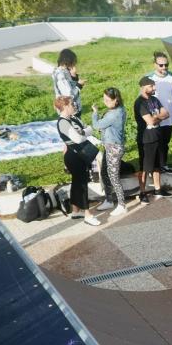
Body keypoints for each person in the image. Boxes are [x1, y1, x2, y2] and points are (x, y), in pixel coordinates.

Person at [55, 95, 100, 226]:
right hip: (73, 156)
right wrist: (85, 132)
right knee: (82, 185)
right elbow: (78, 139)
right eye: (71, 104)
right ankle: (87, 215)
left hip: (78, 155)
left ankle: (75, 211)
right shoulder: (63, 122)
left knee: (76, 183)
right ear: (64, 107)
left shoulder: (72, 118)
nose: (74, 106)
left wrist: (83, 131)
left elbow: (87, 129)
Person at [133, 76, 171, 205]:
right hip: (146, 139)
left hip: (157, 136)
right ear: (143, 87)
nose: (154, 88)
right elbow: (150, 121)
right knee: (144, 167)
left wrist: (156, 117)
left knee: (157, 165)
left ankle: (157, 189)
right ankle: (142, 192)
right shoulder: (140, 103)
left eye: (154, 85)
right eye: (151, 86)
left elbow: (167, 113)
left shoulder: (155, 99)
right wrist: (158, 117)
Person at [92, 87, 128, 217]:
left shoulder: (114, 114)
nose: (105, 102)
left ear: (116, 100)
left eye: (108, 100)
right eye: (104, 99)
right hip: (110, 146)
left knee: (113, 177)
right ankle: (109, 200)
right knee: (105, 172)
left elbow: (96, 125)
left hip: (114, 148)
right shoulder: (118, 109)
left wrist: (95, 113)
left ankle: (122, 205)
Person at [146, 52, 172, 174]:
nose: (164, 67)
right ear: (154, 65)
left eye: (166, 65)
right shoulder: (149, 78)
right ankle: (152, 168)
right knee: (154, 143)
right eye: (161, 65)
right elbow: (145, 98)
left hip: (169, 117)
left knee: (165, 143)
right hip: (155, 118)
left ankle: (163, 164)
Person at [53, 48, 84, 117]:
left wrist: (74, 76)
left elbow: (70, 86)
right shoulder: (61, 76)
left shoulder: (64, 71)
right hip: (68, 111)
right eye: (73, 61)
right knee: (73, 127)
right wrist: (79, 85)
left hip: (71, 109)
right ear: (68, 61)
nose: (74, 64)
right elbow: (69, 96)